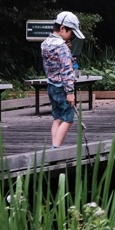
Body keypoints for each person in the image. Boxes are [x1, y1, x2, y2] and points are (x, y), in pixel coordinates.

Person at [40, 10, 85, 148]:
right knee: (68, 119)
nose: (71, 37)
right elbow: (66, 70)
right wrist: (70, 92)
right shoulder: (62, 47)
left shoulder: (45, 44)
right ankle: (56, 148)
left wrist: (66, 47)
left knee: (57, 118)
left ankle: (54, 146)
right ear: (62, 28)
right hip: (62, 87)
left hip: (51, 86)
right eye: (71, 33)